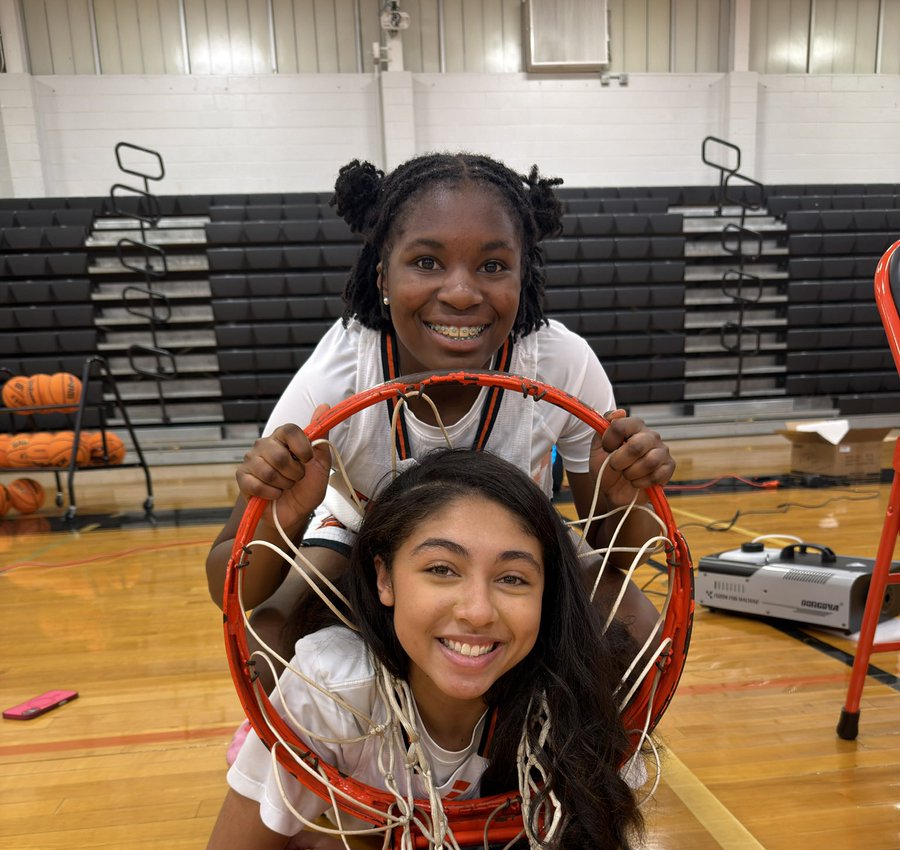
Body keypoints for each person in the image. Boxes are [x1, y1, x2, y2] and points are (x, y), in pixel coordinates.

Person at [200, 448, 647, 850]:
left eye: (513, 578)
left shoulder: (576, 694)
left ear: (547, 594)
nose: (478, 611)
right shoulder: (331, 688)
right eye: (441, 569)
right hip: (333, 777)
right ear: (384, 577)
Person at [206, 152, 676, 668]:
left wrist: (625, 498)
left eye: (493, 266)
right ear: (383, 278)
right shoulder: (338, 378)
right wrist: (287, 516)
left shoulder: (558, 363)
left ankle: (548, 744)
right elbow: (230, 583)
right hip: (364, 535)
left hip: (515, 539)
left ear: (524, 276)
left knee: (638, 636)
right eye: (427, 262)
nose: (459, 292)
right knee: (268, 642)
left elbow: (626, 556)